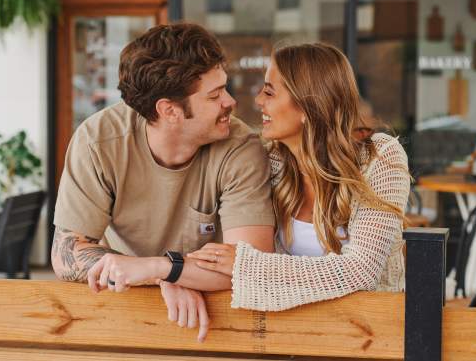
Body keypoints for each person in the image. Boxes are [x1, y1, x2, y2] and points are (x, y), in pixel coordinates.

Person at [51, 23, 275, 341]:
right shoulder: (98, 141)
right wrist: (161, 276)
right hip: (128, 309)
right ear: (169, 110)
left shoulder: (241, 147)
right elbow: (66, 254)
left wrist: (163, 269)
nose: (230, 102)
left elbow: (252, 265)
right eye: (214, 96)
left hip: (218, 320)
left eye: (224, 87)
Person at [186, 43, 410, 311]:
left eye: (269, 91)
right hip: (291, 333)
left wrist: (247, 265)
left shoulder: (380, 157)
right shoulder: (269, 161)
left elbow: (360, 271)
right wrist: (173, 279)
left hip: (370, 334)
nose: (258, 100)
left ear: (307, 106)